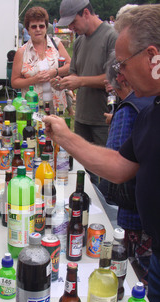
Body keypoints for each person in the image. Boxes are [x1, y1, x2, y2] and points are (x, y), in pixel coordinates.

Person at [43, 5, 160, 302]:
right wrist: (66, 137)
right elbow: (120, 166)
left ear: (153, 57)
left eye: (122, 63)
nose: (118, 74)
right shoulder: (150, 111)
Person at [98, 51, 153, 278]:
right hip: (150, 213)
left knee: (131, 275)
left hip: (133, 214)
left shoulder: (129, 108)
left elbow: (113, 162)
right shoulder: (152, 101)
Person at [55, 0, 117, 184]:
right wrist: (64, 82)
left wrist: (80, 81)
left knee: (106, 176)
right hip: (82, 117)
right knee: (82, 174)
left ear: (86, 13)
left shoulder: (111, 37)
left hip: (102, 119)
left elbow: (114, 79)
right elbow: (75, 72)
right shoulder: (80, 40)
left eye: (73, 22)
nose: (71, 28)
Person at [11, 6, 71, 113]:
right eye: (34, 27)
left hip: (57, 104)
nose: (38, 29)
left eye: (41, 26)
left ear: (46, 28)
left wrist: (55, 72)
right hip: (32, 107)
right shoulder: (21, 52)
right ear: (28, 30)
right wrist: (34, 80)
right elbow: (14, 82)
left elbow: (70, 65)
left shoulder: (56, 44)